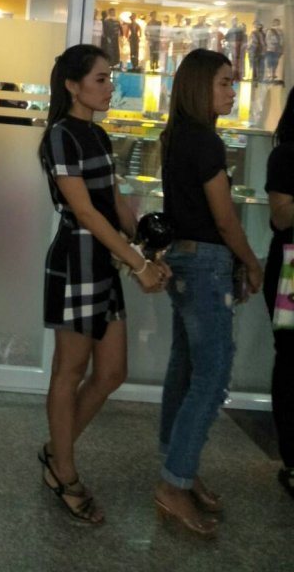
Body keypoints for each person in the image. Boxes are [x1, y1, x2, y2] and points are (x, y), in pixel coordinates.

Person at [38, 44, 167, 526]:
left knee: (112, 371)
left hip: (105, 260)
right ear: (72, 86)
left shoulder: (97, 133)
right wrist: (136, 263)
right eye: (101, 79)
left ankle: (57, 450)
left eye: (109, 78)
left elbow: (113, 202)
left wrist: (148, 251)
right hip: (76, 258)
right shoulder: (59, 137)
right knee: (69, 370)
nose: (111, 87)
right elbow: (85, 212)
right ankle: (64, 472)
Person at [156, 48, 263, 538]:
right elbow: (223, 218)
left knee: (185, 368)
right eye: (224, 82)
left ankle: (178, 466)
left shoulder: (178, 136)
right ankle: (175, 482)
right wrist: (251, 260)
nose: (232, 91)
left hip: (183, 258)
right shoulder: (205, 142)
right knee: (212, 376)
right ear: (200, 86)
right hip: (205, 263)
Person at [264, 87, 294, 499]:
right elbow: (282, 214)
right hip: (290, 268)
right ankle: (291, 460)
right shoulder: (286, 155)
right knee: (291, 359)